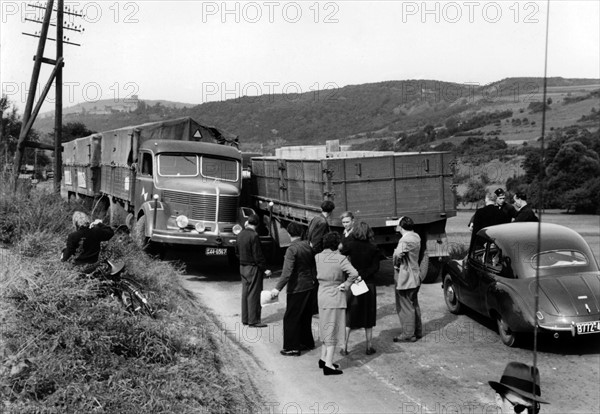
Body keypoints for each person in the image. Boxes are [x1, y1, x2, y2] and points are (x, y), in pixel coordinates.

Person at [270, 222, 318, 356]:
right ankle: (307, 342)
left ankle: (292, 347)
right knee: (305, 316)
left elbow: (287, 272)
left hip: (296, 287)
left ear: (288, 233)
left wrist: (277, 289)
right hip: (309, 285)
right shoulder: (308, 246)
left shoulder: (291, 249)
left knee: (291, 318)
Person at [315, 232, 359, 375]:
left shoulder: (318, 257)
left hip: (322, 294)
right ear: (336, 244)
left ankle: (323, 359)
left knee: (325, 327)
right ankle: (328, 365)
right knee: (332, 330)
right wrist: (346, 285)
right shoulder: (341, 259)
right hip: (335, 295)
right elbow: (354, 273)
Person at [339, 221, 380, 356]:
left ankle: (344, 347)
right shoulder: (374, 248)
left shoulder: (350, 246)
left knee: (350, 315)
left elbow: (340, 255)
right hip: (368, 284)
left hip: (354, 283)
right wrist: (363, 275)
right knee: (369, 315)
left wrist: (354, 275)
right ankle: (369, 346)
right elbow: (375, 268)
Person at [236, 214, 272, 328]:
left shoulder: (240, 234)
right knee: (254, 294)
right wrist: (265, 269)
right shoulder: (254, 235)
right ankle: (254, 320)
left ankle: (245, 318)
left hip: (242, 266)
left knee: (245, 293)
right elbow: (258, 255)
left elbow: (236, 251)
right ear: (257, 224)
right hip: (253, 267)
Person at [392, 216, 422, 342]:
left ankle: (408, 333)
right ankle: (417, 331)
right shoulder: (416, 236)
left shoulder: (405, 240)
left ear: (401, 226)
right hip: (415, 276)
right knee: (413, 304)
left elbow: (397, 254)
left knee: (405, 306)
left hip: (406, 278)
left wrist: (395, 264)